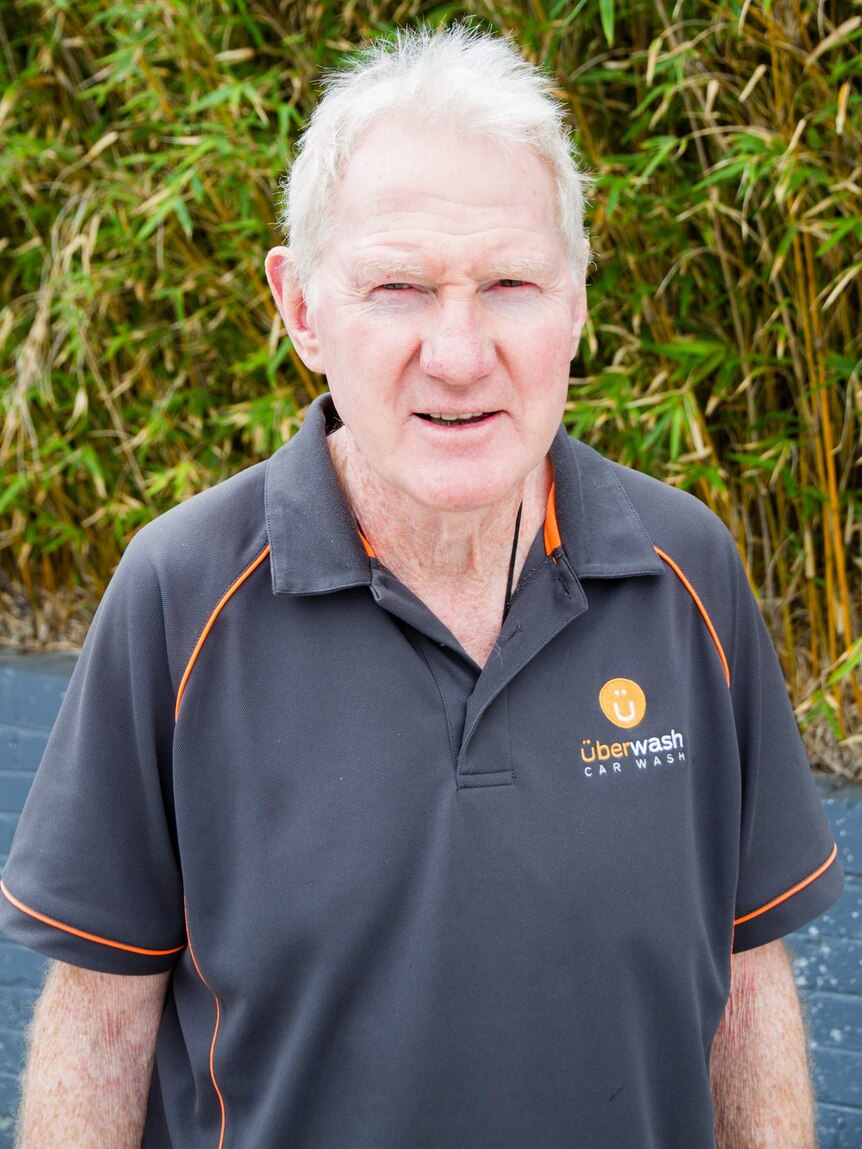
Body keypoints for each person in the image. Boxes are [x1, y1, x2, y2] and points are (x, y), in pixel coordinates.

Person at [0, 25, 843, 1149]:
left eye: (509, 283)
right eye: (399, 287)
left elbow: (745, 982)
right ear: (301, 309)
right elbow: (100, 1026)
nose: (458, 350)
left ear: (578, 301)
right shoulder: (179, 595)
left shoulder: (683, 569)